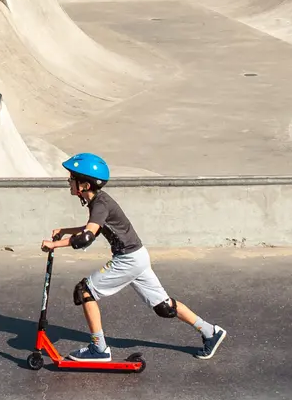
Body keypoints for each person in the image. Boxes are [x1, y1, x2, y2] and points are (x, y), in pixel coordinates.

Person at [41, 153, 228, 362]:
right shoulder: (98, 202)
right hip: (138, 256)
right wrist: (65, 230)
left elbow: (87, 237)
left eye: (71, 179)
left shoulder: (100, 203)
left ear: (84, 184)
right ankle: (211, 332)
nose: (69, 182)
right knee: (164, 307)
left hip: (128, 259)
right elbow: (92, 228)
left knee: (84, 291)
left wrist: (56, 244)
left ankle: (98, 348)